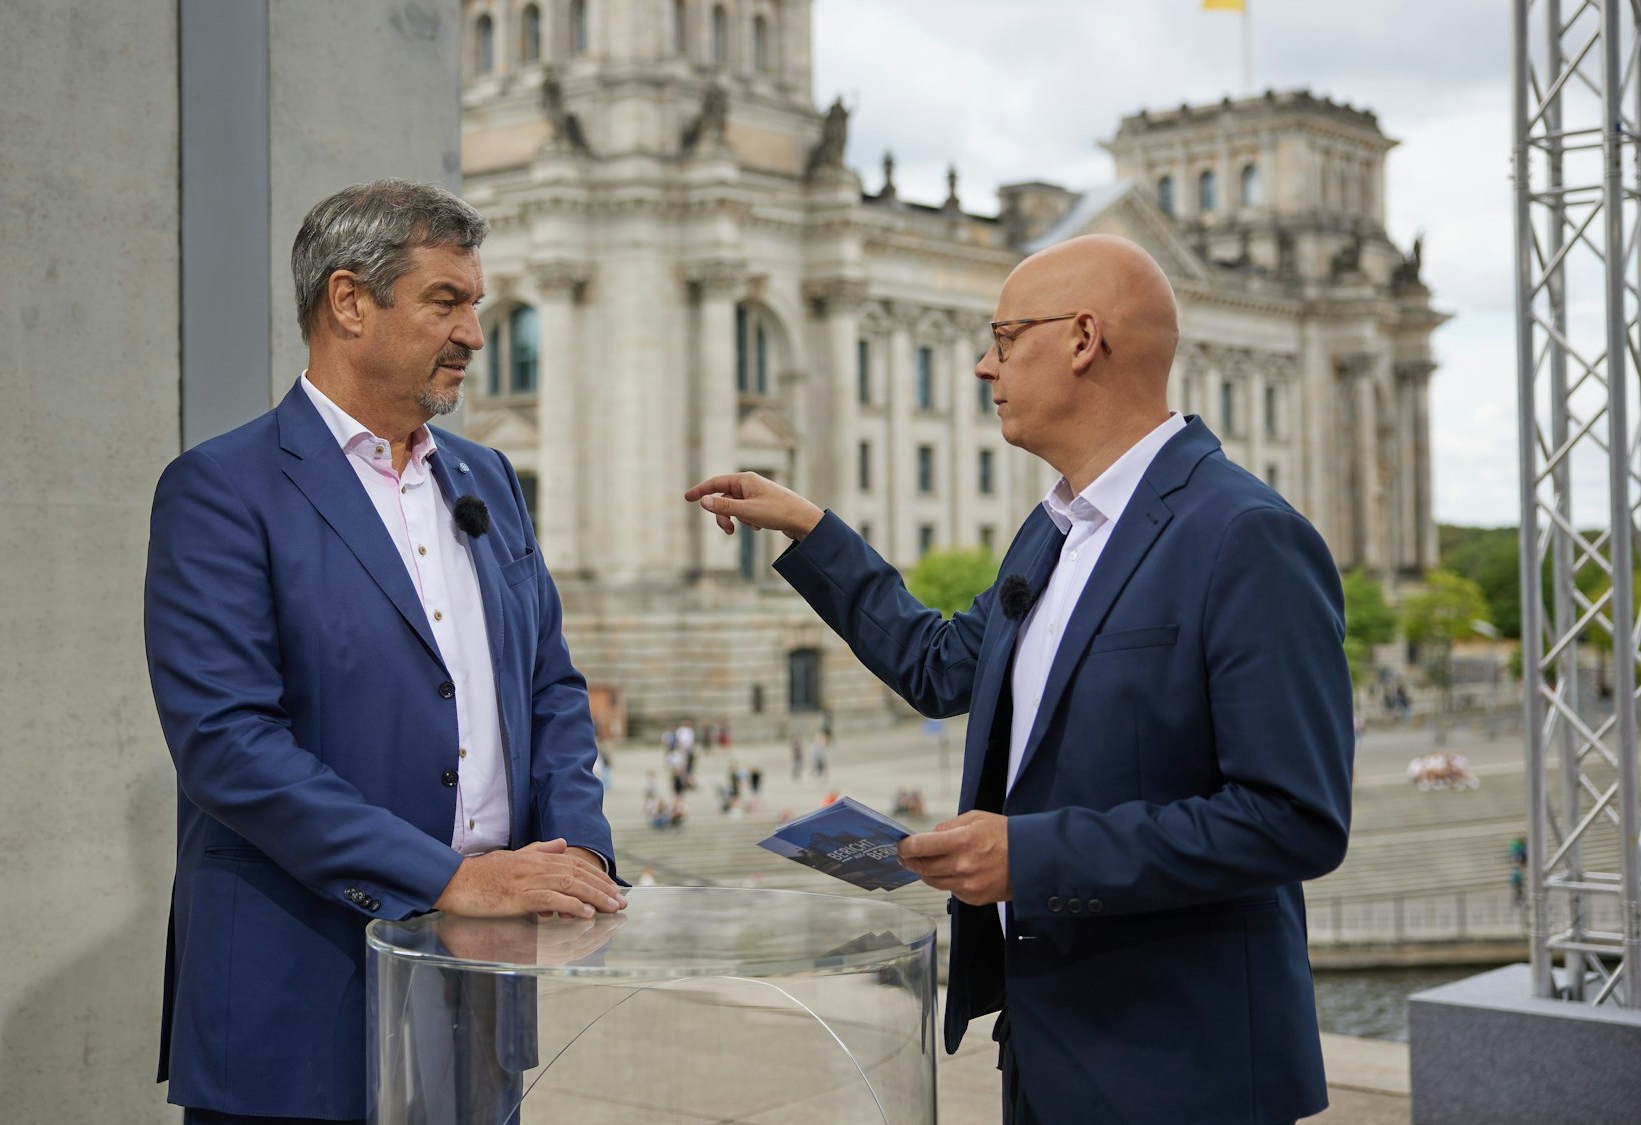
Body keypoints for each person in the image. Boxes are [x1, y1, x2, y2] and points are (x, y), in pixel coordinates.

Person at [685, 234, 1352, 1122]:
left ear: (1083, 338)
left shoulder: (1246, 534)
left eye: (1004, 338)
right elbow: (938, 666)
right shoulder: (1054, 529)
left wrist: (1031, 856)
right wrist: (812, 532)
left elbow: (1293, 819)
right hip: (1045, 1048)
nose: (982, 365)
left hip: (1184, 1067)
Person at [144, 180, 625, 1125]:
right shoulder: (222, 489)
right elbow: (228, 744)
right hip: (296, 1006)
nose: (474, 334)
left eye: (475, 304)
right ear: (349, 301)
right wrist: (450, 878)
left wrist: (577, 852)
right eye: (446, 301)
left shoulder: (489, 477)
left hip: (478, 998)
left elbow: (550, 686)